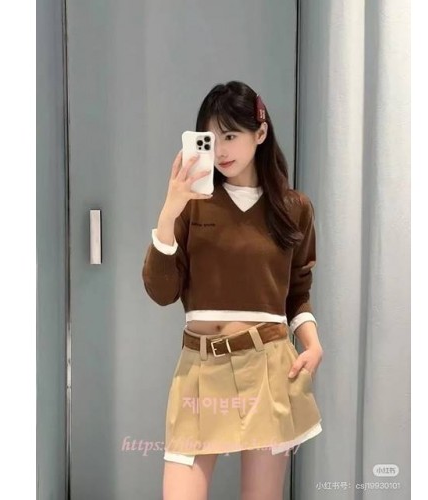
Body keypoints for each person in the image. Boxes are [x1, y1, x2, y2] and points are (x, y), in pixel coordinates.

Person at [142, 81, 324, 500]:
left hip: (268, 367)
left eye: (230, 135)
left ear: (260, 133)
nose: (221, 150)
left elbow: (297, 290)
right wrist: (169, 211)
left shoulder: (293, 208)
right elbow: (161, 291)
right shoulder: (192, 204)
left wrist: (313, 344)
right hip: (200, 367)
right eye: (211, 137)